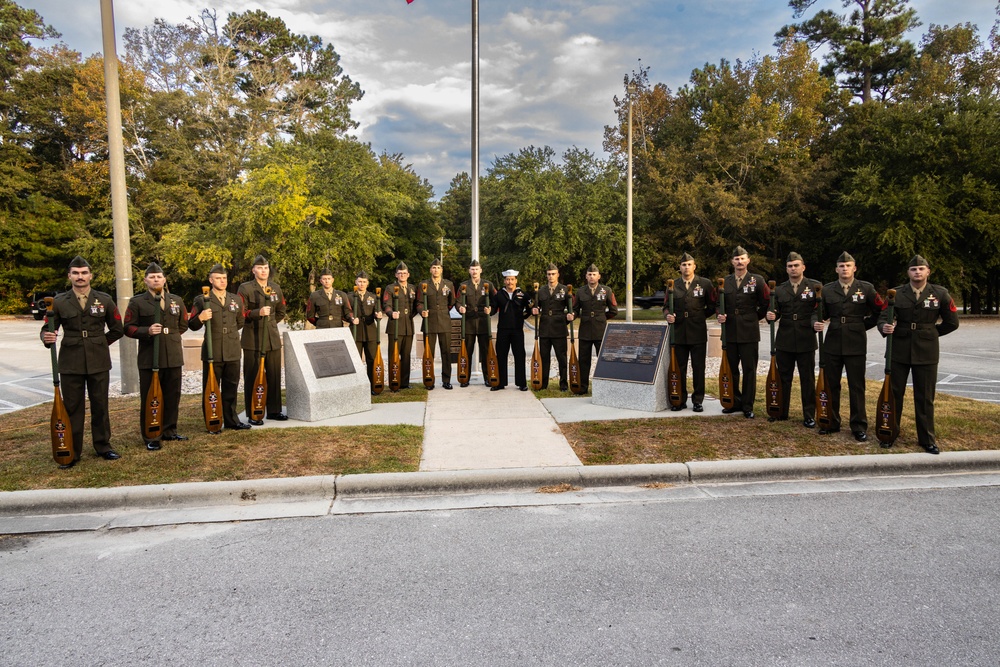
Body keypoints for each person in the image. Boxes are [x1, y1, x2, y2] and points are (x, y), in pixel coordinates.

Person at [40, 256, 124, 467]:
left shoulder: (104, 299)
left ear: (90, 275)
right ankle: (73, 450)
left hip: (98, 360)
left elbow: (117, 328)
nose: (80, 277)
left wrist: (101, 343)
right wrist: (46, 337)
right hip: (71, 361)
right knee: (72, 407)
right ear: (69, 276)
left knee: (100, 406)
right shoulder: (58, 302)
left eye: (84, 273)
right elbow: (46, 329)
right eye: (76, 273)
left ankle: (103, 446)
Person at [878, 255, 959, 454]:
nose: (917, 272)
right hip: (899, 349)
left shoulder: (940, 293)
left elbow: (952, 322)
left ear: (928, 272)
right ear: (908, 273)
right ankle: (890, 434)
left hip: (927, 351)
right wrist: (884, 327)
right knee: (895, 394)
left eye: (921, 269)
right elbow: (883, 317)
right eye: (914, 270)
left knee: (924, 397)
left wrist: (930, 333)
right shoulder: (895, 293)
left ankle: (927, 439)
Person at [814, 251, 884, 441]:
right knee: (831, 384)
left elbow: (881, 310)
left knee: (857, 386)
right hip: (833, 342)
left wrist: (864, 325)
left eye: (848, 266)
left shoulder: (866, 288)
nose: (845, 269)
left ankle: (858, 426)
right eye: (841, 266)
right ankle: (831, 421)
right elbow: (818, 312)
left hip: (856, 342)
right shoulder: (826, 290)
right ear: (836, 269)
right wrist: (816, 322)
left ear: (855, 268)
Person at [124, 262, 189, 450]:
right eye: (152, 277)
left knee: (172, 395)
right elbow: (128, 328)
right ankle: (151, 435)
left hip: (173, 356)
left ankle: (170, 430)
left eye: (159, 277)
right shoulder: (137, 302)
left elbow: (183, 324)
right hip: (149, 357)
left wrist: (171, 336)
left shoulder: (176, 300)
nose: (156, 279)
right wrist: (147, 331)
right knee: (150, 397)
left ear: (164, 279)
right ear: (145, 280)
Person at [187, 264, 249, 431]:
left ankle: (231, 420)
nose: (222, 281)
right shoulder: (202, 299)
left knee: (231, 386)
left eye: (224, 278)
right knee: (211, 388)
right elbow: (191, 325)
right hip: (212, 349)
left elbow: (240, 321)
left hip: (232, 348)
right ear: (210, 280)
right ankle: (213, 420)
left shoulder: (235, 299)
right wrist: (200, 317)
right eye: (218, 278)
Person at [765, 252, 822, 427]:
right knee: (783, 378)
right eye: (790, 266)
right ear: (786, 269)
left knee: (807, 378)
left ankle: (809, 415)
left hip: (806, 337)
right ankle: (781, 411)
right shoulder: (780, 289)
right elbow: (774, 312)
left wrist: (815, 323)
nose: (793, 268)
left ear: (803, 267)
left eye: (796, 265)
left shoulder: (815, 287)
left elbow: (818, 310)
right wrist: (770, 316)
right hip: (785, 338)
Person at [717, 246, 770, 418]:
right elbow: (718, 304)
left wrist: (755, 317)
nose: (739, 262)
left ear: (748, 261)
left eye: (742, 259)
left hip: (749, 332)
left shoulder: (757, 280)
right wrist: (719, 315)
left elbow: (766, 302)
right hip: (730, 331)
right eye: (736, 259)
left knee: (749, 370)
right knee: (731, 370)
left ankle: (748, 405)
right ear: (732, 262)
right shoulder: (725, 281)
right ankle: (734, 401)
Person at [663, 252, 717, 412]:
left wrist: (700, 317)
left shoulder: (705, 283)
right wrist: (668, 316)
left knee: (698, 367)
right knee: (679, 367)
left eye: (689, 264)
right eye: (683, 265)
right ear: (680, 267)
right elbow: (665, 306)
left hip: (697, 331)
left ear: (694, 266)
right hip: (678, 331)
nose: (686, 267)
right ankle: (679, 399)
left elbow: (712, 306)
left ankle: (698, 400)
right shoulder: (673, 284)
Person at [238, 255, 287, 424]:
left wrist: (270, 324)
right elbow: (241, 313)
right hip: (253, 338)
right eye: (259, 268)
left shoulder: (275, 287)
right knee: (252, 375)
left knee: (274, 375)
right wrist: (256, 313)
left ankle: (274, 411)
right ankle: (254, 411)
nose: (263, 271)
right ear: (253, 270)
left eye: (265, 268)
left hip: (272, 338)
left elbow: (281, 310)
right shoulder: (245, 288)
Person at [573, 263, 618, 393]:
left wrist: (602, 318)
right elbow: (576, 310)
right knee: (583, 361)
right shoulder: (581, 291)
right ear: (586, 277)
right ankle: (583, 387)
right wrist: (573, 315)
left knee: (603, 360)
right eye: (589, 275)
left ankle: (604, 388)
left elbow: (614, 310)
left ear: (599, 276)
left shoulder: (606, 291)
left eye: (594, 275)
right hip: (585, 330)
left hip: (600, 330)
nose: (592, 277)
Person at [531, 263, 574, 391]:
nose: (551, 276)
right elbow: (535, 306)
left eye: (553, 274)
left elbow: (572, 308)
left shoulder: (565, 290)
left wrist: (569, 316)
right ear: (546, 275)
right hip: (544, 328)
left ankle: (563, 384)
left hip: (559, 328)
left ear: (558, 275)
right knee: (544, 358)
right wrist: (534, 309)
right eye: (549, 274)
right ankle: (543, 384)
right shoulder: (540, 290)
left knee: (561, 358)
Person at [417, 258, 457, 390]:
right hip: (430, 322)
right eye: (434, 267)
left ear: (442, 270)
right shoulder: (424, 284)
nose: (436, 270)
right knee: (429, 353)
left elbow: (452, 302)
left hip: (445, 322)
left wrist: (443, 312)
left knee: (446, 352)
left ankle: (446, 380)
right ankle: (429, 380)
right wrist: (422, 311)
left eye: (438, 268)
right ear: (430, 270)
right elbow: (419, 302)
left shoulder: (449, 284)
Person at [457, 259, 495, 387]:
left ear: (481, 270)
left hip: (484, 323)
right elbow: (457, 302)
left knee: (486, 352)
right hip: (469, 323)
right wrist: (460, 308)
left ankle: (488, 377)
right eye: (472, 269)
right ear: (469, 271)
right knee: (467, 351)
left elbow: (496, 301)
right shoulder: (463, 285)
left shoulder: (488, 285)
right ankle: (465, 378)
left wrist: (491, 310)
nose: (474, 272)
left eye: (476, 269)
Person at [383, 262, 417, 390]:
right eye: (400, 273)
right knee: (394, 355)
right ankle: (393, 381)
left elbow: (415, 306)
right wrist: (391, 313)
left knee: (406, 355)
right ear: (396, 275)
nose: (402, 275)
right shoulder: (390, 288)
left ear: (408, 275)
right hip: (395, 326)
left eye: (404, 273)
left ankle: (404, 382)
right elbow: (386, 304)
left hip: (408, 326)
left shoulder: (412, 288)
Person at [494, 269, 530, 391]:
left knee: (519, 355)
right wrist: (488, 310)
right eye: (507, 279)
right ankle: (500, 382)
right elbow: (493, 309)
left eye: (512, 279)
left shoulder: (522, 294)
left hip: (517, 330)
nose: (510, 282)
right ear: (504, 281)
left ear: (516, 280)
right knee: (501, 355)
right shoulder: (499, 294)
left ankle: (521, 383)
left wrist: (523, 316)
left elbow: (529, 309)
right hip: (503, 330)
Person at [352, 271, 383, 394]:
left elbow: (378, 311)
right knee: (356, 360)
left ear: (367, 283)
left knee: (371, 359)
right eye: (359, 281)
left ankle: (371, 386)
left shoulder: (373, 296)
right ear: (356, 282)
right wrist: (350, 318)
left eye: (364, 282)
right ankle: (358, 387)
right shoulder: (350, 296)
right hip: (356, 332)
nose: (362, 284)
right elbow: (347, 311)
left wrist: (378, 315)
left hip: (370, 331)